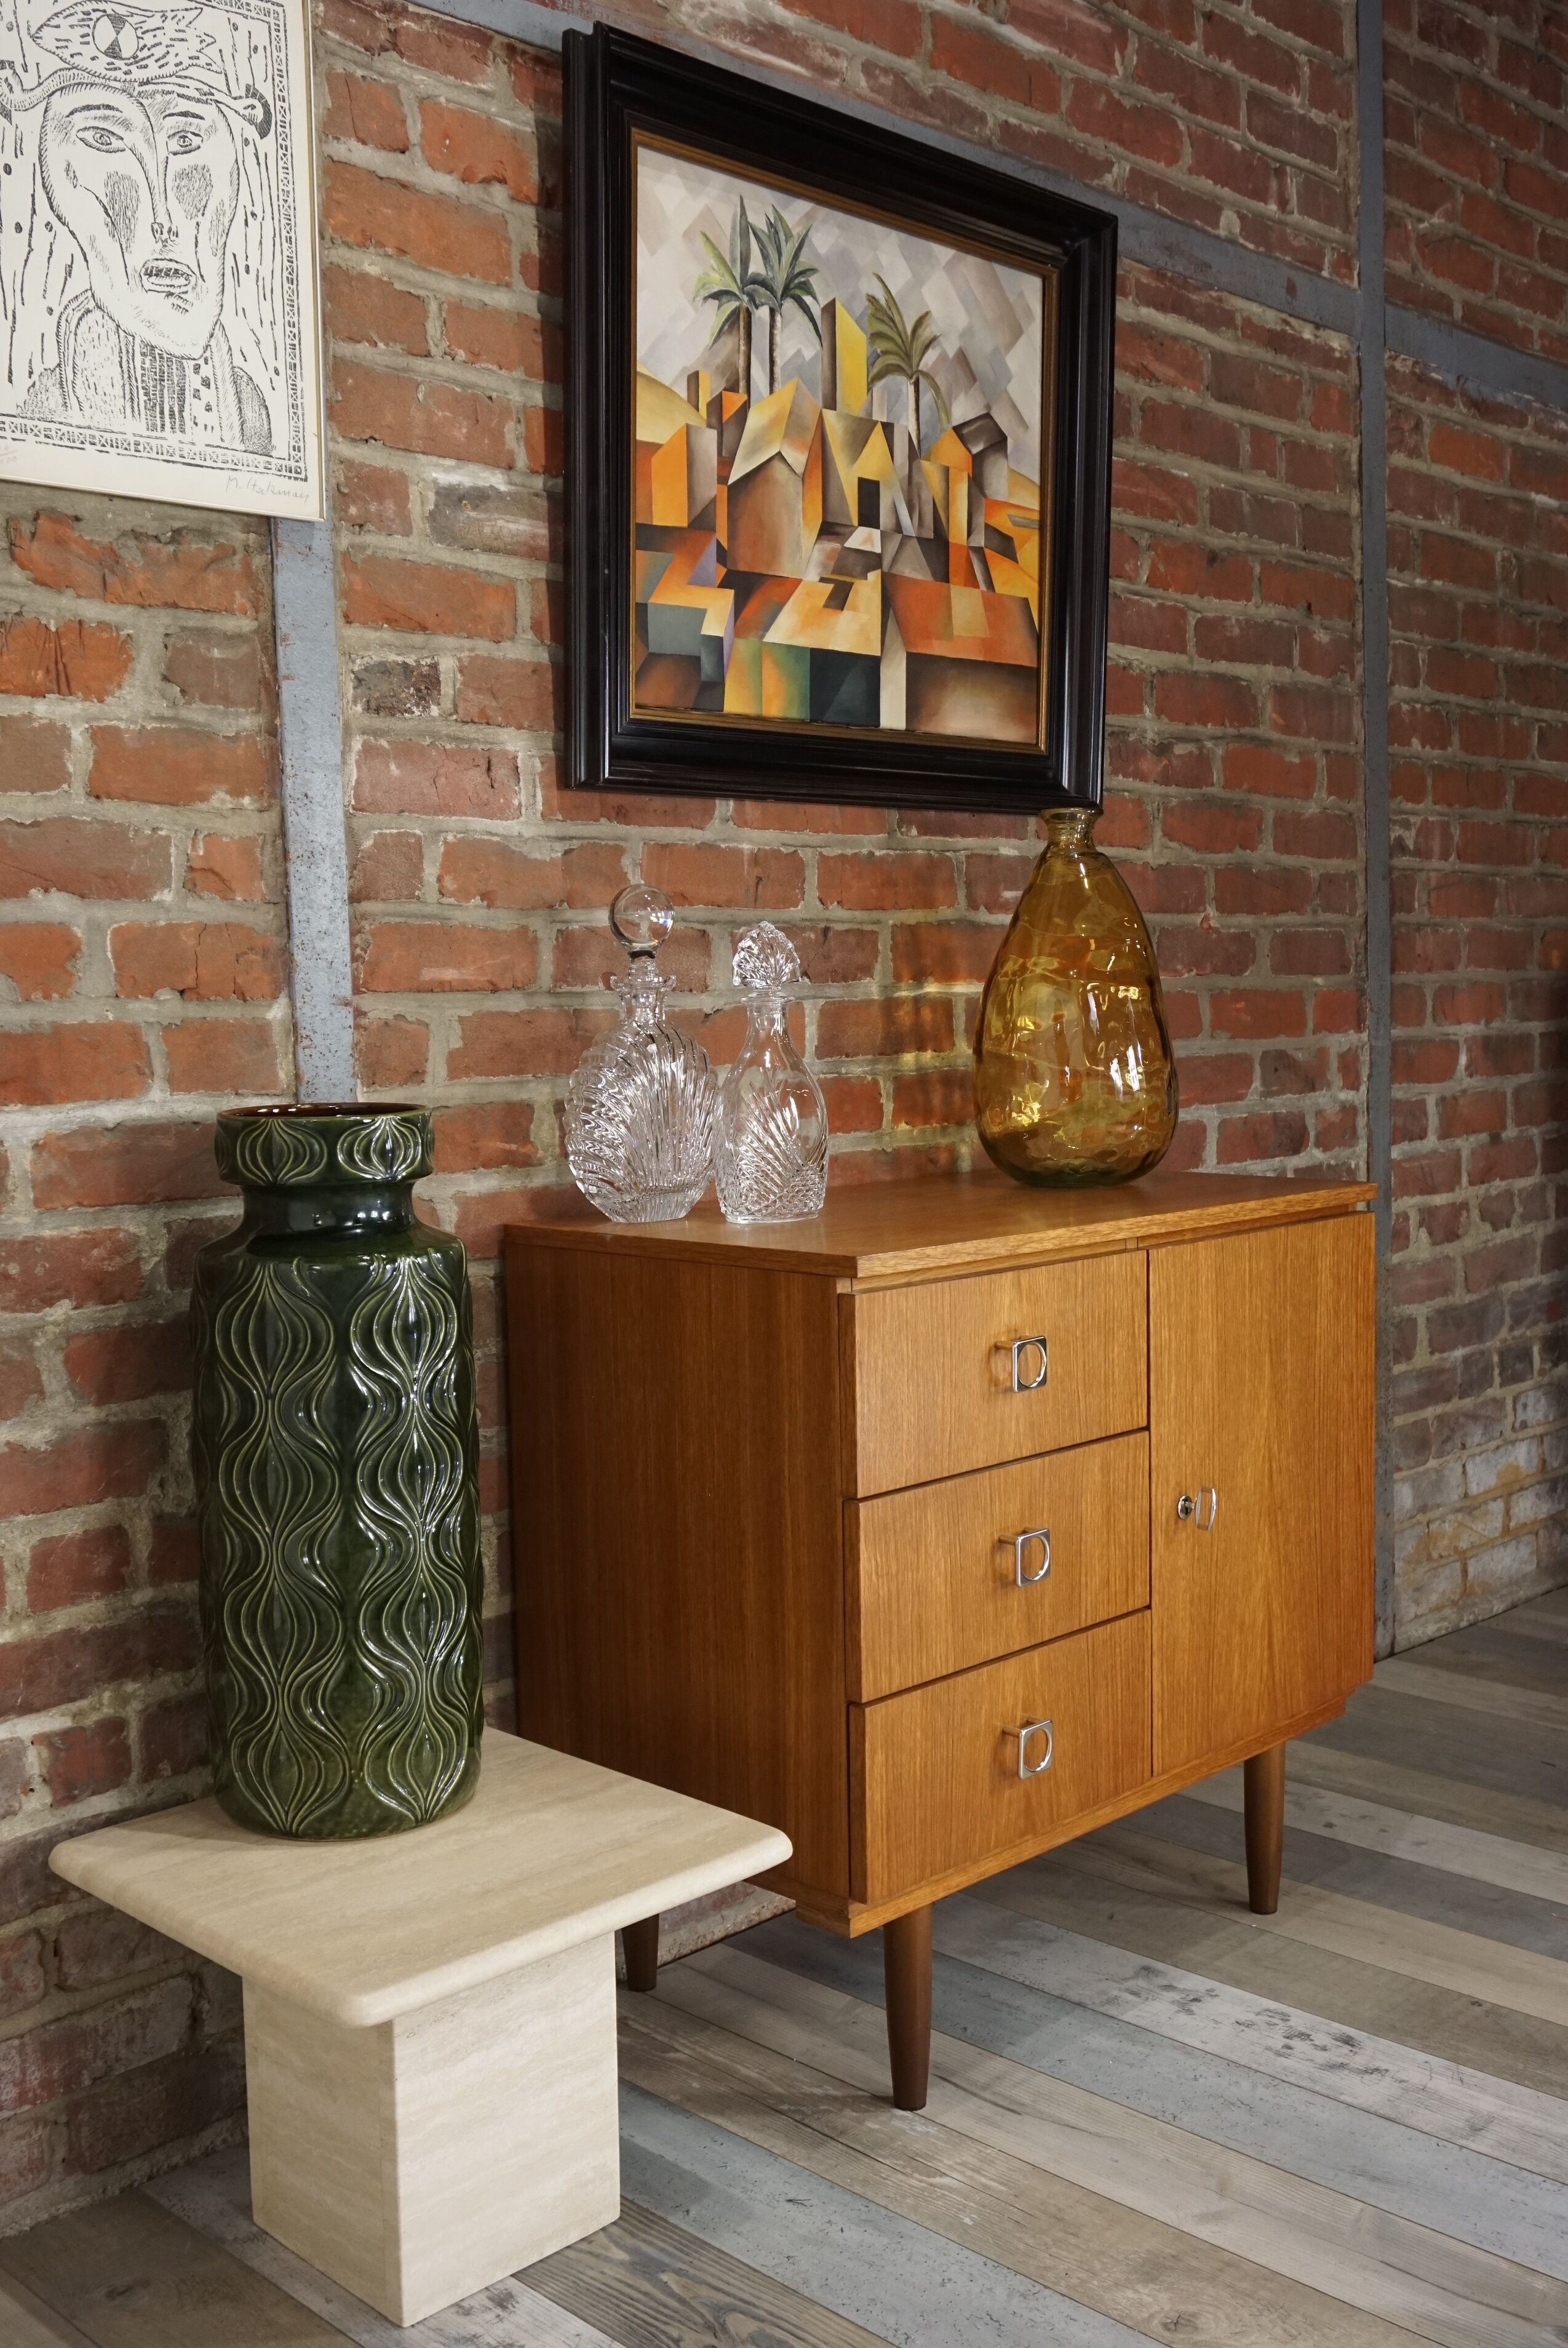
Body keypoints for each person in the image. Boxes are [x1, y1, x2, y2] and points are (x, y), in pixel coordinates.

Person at [1, 2, 273, 450]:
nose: (161, 217)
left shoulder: (248, 412)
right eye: (104, 140)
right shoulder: (45, 412)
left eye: (185, 141)